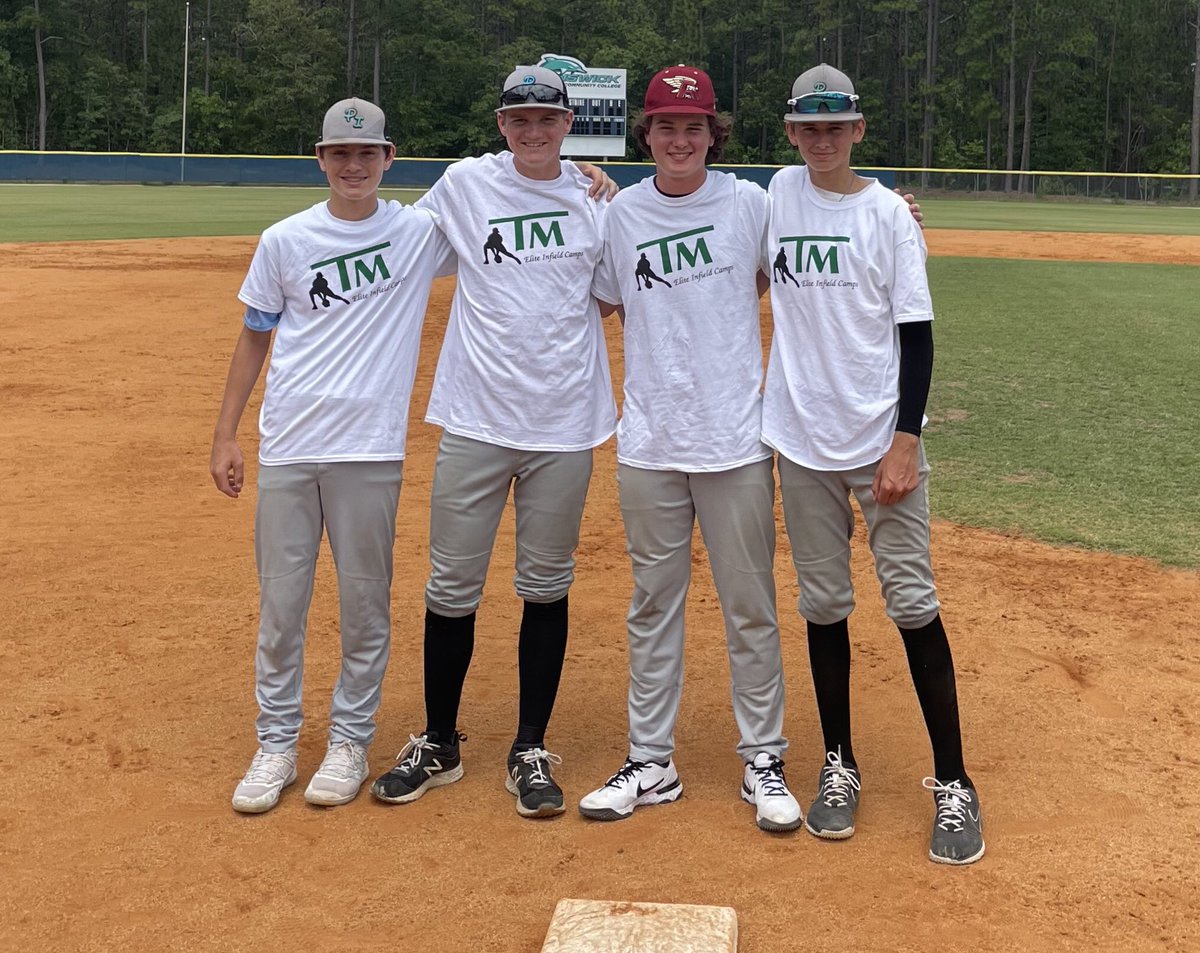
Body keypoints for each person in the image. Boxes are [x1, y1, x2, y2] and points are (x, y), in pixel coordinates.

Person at [370, 66, 615, 819]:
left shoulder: (597, 200)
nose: (534, 129)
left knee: (545, 584)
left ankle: (529, 747)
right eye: (520, 118)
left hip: (564, 426)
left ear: (568, 122)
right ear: (502, 124)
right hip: (476, 419)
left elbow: (609, 295)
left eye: (547, 118)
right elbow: (395, 236)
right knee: (451, 586)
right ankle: (440, 739)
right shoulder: (465, 184)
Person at [763, 63, 984, 864]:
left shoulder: (889, 214)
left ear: (858, 129)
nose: (822, 139)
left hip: (877, 441)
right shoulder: (776, 197)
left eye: (836, 126)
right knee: (824, 605)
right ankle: (839, 763)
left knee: (913, 603)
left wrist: (906, 437)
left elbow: (916, 335)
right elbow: (698, 207)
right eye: (808, 127)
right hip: (800, 440)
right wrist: (598, 184)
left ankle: (954, 781)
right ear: (791, 132)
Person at [212, 98, 455, 814]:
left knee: (363, 601)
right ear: (321, 159)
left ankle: (350, 738)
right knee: (283, 603)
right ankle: (277, 742)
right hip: (290, 443)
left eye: (367, 154)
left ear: (389, 159)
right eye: (340, 154)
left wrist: (583, 177)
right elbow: (255, 335)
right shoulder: (285, 239)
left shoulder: (417, 234)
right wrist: (227, 433)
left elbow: (502, 190)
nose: (354, 166)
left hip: (369, 451)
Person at [577, 65, 802, 833]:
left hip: (735, 436)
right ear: (647, 133)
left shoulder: (749, 203)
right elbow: (599, 299)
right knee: (652, 605)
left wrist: (891, 218)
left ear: (713, 134)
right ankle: (652, 760)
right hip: (649, 439)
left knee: (750, 606)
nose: (680, 139)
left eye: (694, 126)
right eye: (667, 126)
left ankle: (763, 757)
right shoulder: (621, 214)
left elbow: (789, 272)